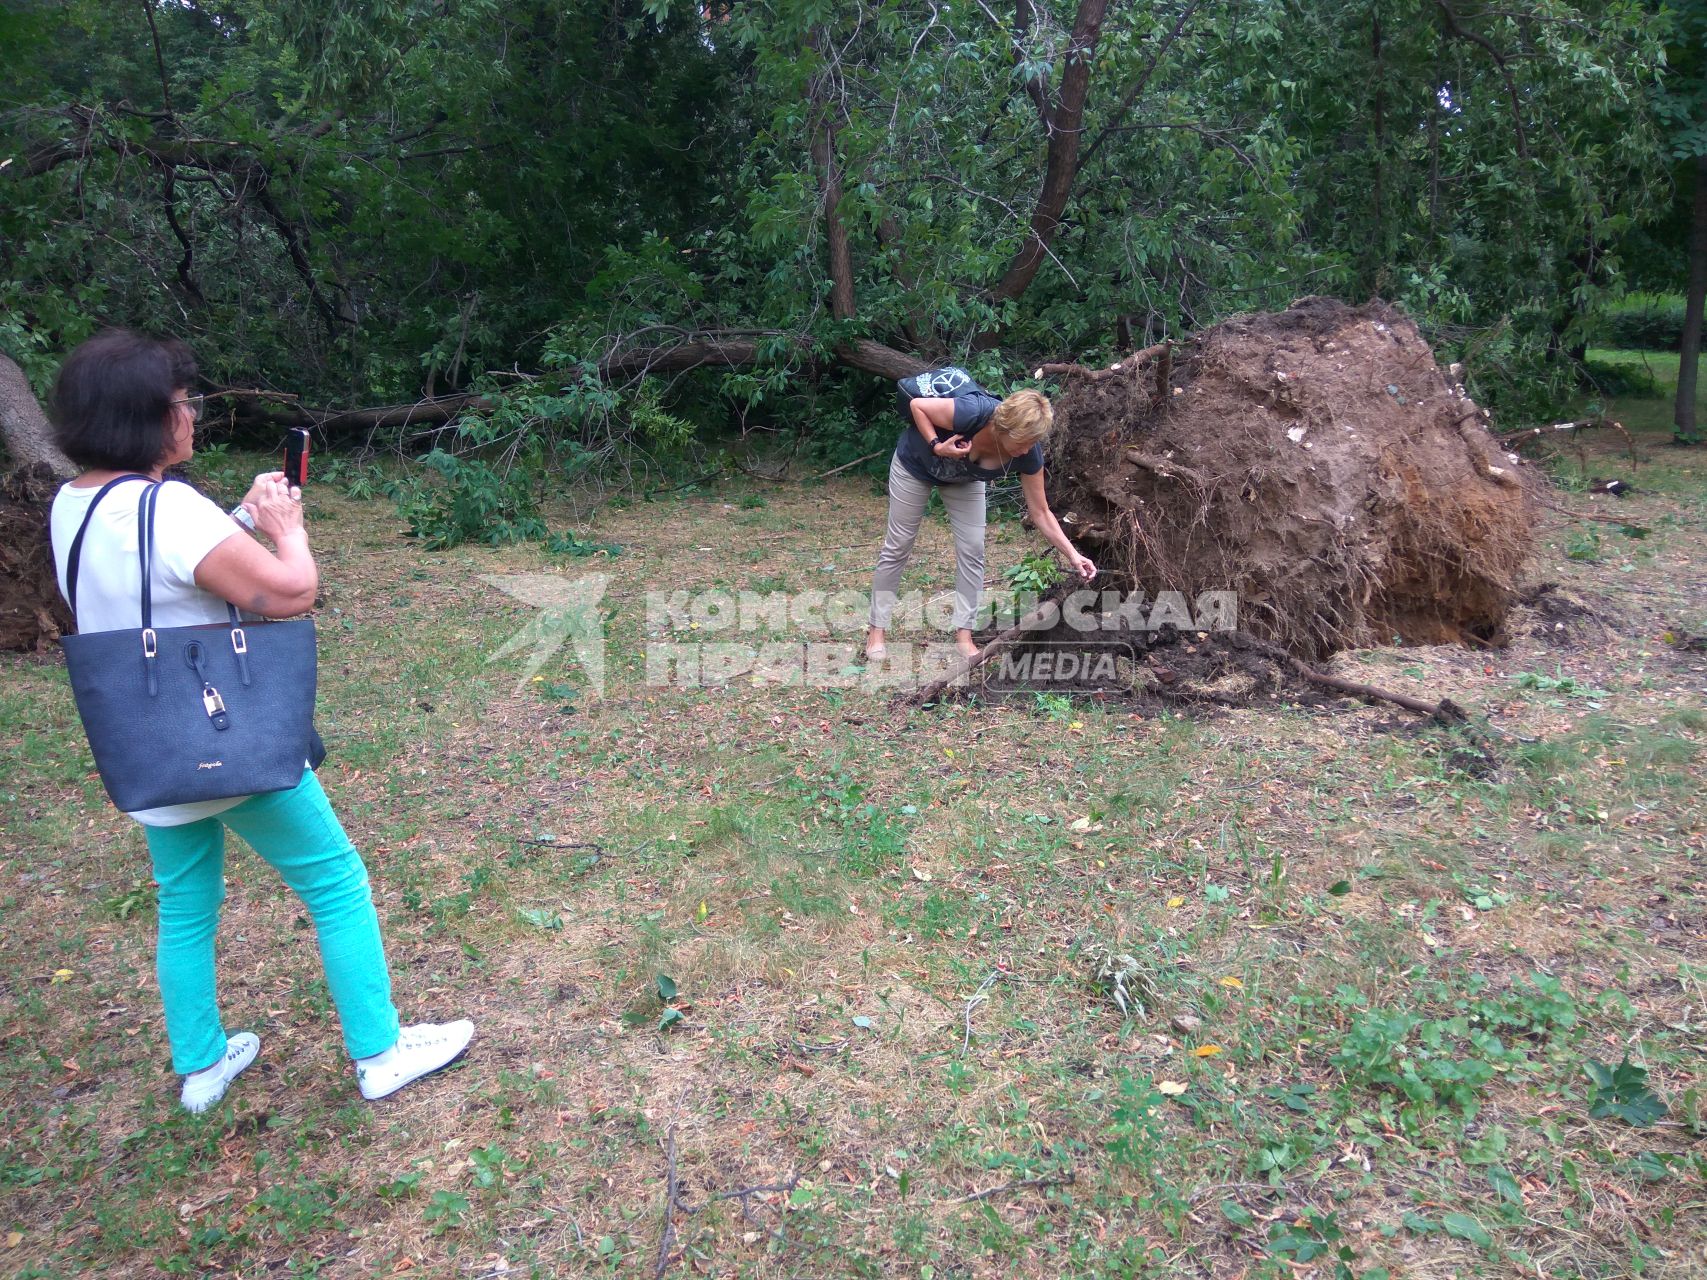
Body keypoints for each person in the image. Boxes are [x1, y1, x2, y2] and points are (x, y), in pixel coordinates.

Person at [47, 329, 473, 1114]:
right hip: (223, 739)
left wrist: (233, 520)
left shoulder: (73, 504)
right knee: (336, 881)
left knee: (183, 904)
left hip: (146, 744)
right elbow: (287, 592)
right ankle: (380, 1051)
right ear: (146, 417)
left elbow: (167, 584)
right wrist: (286, 528)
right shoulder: (170, 508)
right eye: (183, 403)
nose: (193, 416)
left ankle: (201, 1066)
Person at [867, 367, 1096, 661]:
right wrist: (938, 446)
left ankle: (964, 635)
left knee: (973, 549)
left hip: (964, 479)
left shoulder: (1029, 454)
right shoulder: (973, 412)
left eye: (1032, 442)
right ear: (1005, 428)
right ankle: (877, 631)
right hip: (917, 465)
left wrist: (1073, 556)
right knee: (898, 545)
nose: (1027, 448)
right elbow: (917, 406)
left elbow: (1040, 512)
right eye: (1022, 441)